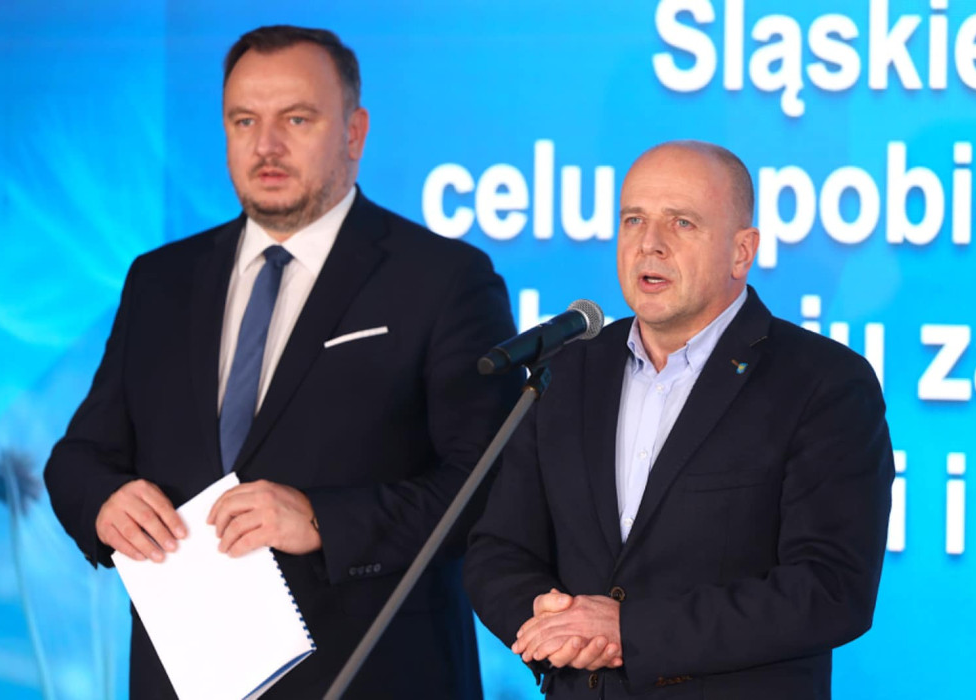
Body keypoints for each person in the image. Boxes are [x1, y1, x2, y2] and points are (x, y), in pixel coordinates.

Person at [44, 25, 521, 699]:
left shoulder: (442, 279)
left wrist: (323, 521)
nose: (266, 146)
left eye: (297, 119)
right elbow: (79, 457)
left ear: (354, 132)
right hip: (181, 678)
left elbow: (490, 485)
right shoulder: (160, 279)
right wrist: (103, 502)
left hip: (370, 677)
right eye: (245, 121)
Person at [464, 140, 894, 699]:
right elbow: (498, 549)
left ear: (741, 252)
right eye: (633, 220)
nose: (650, 243)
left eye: (682, 223)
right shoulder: (567, 370)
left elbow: (830, 588)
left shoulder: (823, 382)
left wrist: (629, 632)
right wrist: (548, 619)